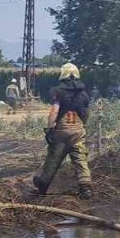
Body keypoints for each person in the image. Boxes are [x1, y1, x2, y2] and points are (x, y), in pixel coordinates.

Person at [32, 63, 93, 199]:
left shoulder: (57, 91)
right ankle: (85, 188)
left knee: (54, 157)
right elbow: (87, 113)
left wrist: (49, 129)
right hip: (78, 131)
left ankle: (43, 185)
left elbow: (54, 111)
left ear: (63, 75)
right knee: (80, 158)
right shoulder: (83, 94)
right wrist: (82, 125)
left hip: (62, 131)